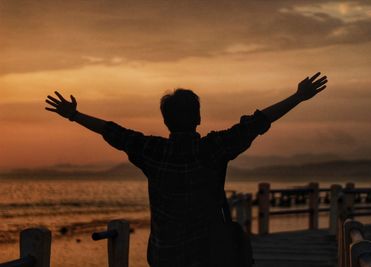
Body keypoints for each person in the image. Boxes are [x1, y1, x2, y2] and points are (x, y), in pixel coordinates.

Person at [45, 72, 328, 267]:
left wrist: (73, 115)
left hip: (164, 255)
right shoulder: (213, 148)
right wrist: (298, 96)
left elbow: (111, 131)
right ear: (198, 117)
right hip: (211, 256)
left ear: (165, 120)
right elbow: (258, 122)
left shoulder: (151, 150)